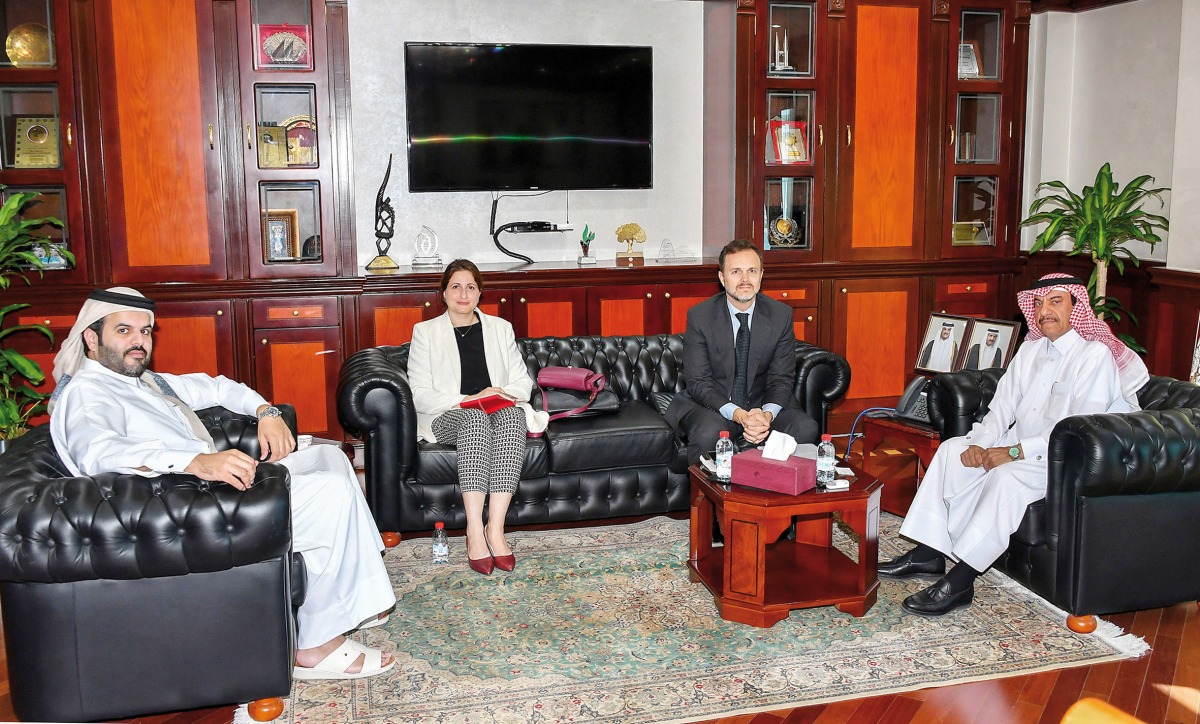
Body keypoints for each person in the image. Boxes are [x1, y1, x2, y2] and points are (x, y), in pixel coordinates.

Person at [48, 288, 396, 680]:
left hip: (203, 487)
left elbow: (217, 387)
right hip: (174, 507)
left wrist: (267, 412)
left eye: (145, 332)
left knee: (331, 458)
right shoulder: (87, 393)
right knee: (326, 493)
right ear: (91, 339)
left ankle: (358, 596)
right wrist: (197, 461)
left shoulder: (143, 382)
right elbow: (99, 453)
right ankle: (313, 645)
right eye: (124, 331)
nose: (138, 342)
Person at [878, 274, 1148, 616]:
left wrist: (1014, 452)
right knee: (951, 452)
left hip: (1065, 459)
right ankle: (929, 554)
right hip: (1020, 445)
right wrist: (980, 442)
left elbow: (1078, 428)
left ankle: (961, 581)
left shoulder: (1094, 356)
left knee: (1009, 479)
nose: (1044, 311)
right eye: (1038, 303)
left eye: (1056, 301)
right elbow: (1002, 406)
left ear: (1077, 307)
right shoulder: (1031, 349)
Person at [407, 259, 549, 575]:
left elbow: (523, 383)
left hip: (497, 409)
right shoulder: (426, 332)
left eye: (471, 287)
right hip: (448, 415)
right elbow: (419, 393)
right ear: (443, 293)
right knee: (475, 420)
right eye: (455, 286)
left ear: (479, 293)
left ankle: (495, 530)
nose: (463, 294)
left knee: (513, 418)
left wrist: (497, 391)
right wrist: (467, 400)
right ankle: (474, 529)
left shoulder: (500, 329)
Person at [665, 239, 818, 463]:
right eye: (736, 271)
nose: (745, 280)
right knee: (710, 432)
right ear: (722, 278)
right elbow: (699, 382)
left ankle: (772, 494)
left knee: (805, 427)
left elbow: (781, 378)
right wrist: (738, 414)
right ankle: (705, 498)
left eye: (752, 271)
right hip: (713, 405)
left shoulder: (780, 315)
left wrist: (766, 415)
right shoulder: (701, 316)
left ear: (761, 275)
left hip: (761, 404)